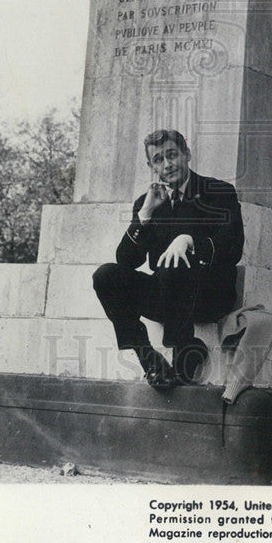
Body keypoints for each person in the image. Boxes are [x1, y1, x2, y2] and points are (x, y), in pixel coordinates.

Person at [92, 129, 244, 390]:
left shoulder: (218, 192)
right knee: (106, 275)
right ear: (151, 166)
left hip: (209, 295)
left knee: (174, 261)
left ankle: (183, 354)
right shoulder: (148, 202)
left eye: (172, 155)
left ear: (187, 154)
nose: (167, 164)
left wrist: (189, 241)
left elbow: (233, 247)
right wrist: (145, 214)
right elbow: (126, 260)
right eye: (159, 159)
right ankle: (150, 359)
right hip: (166, 295)